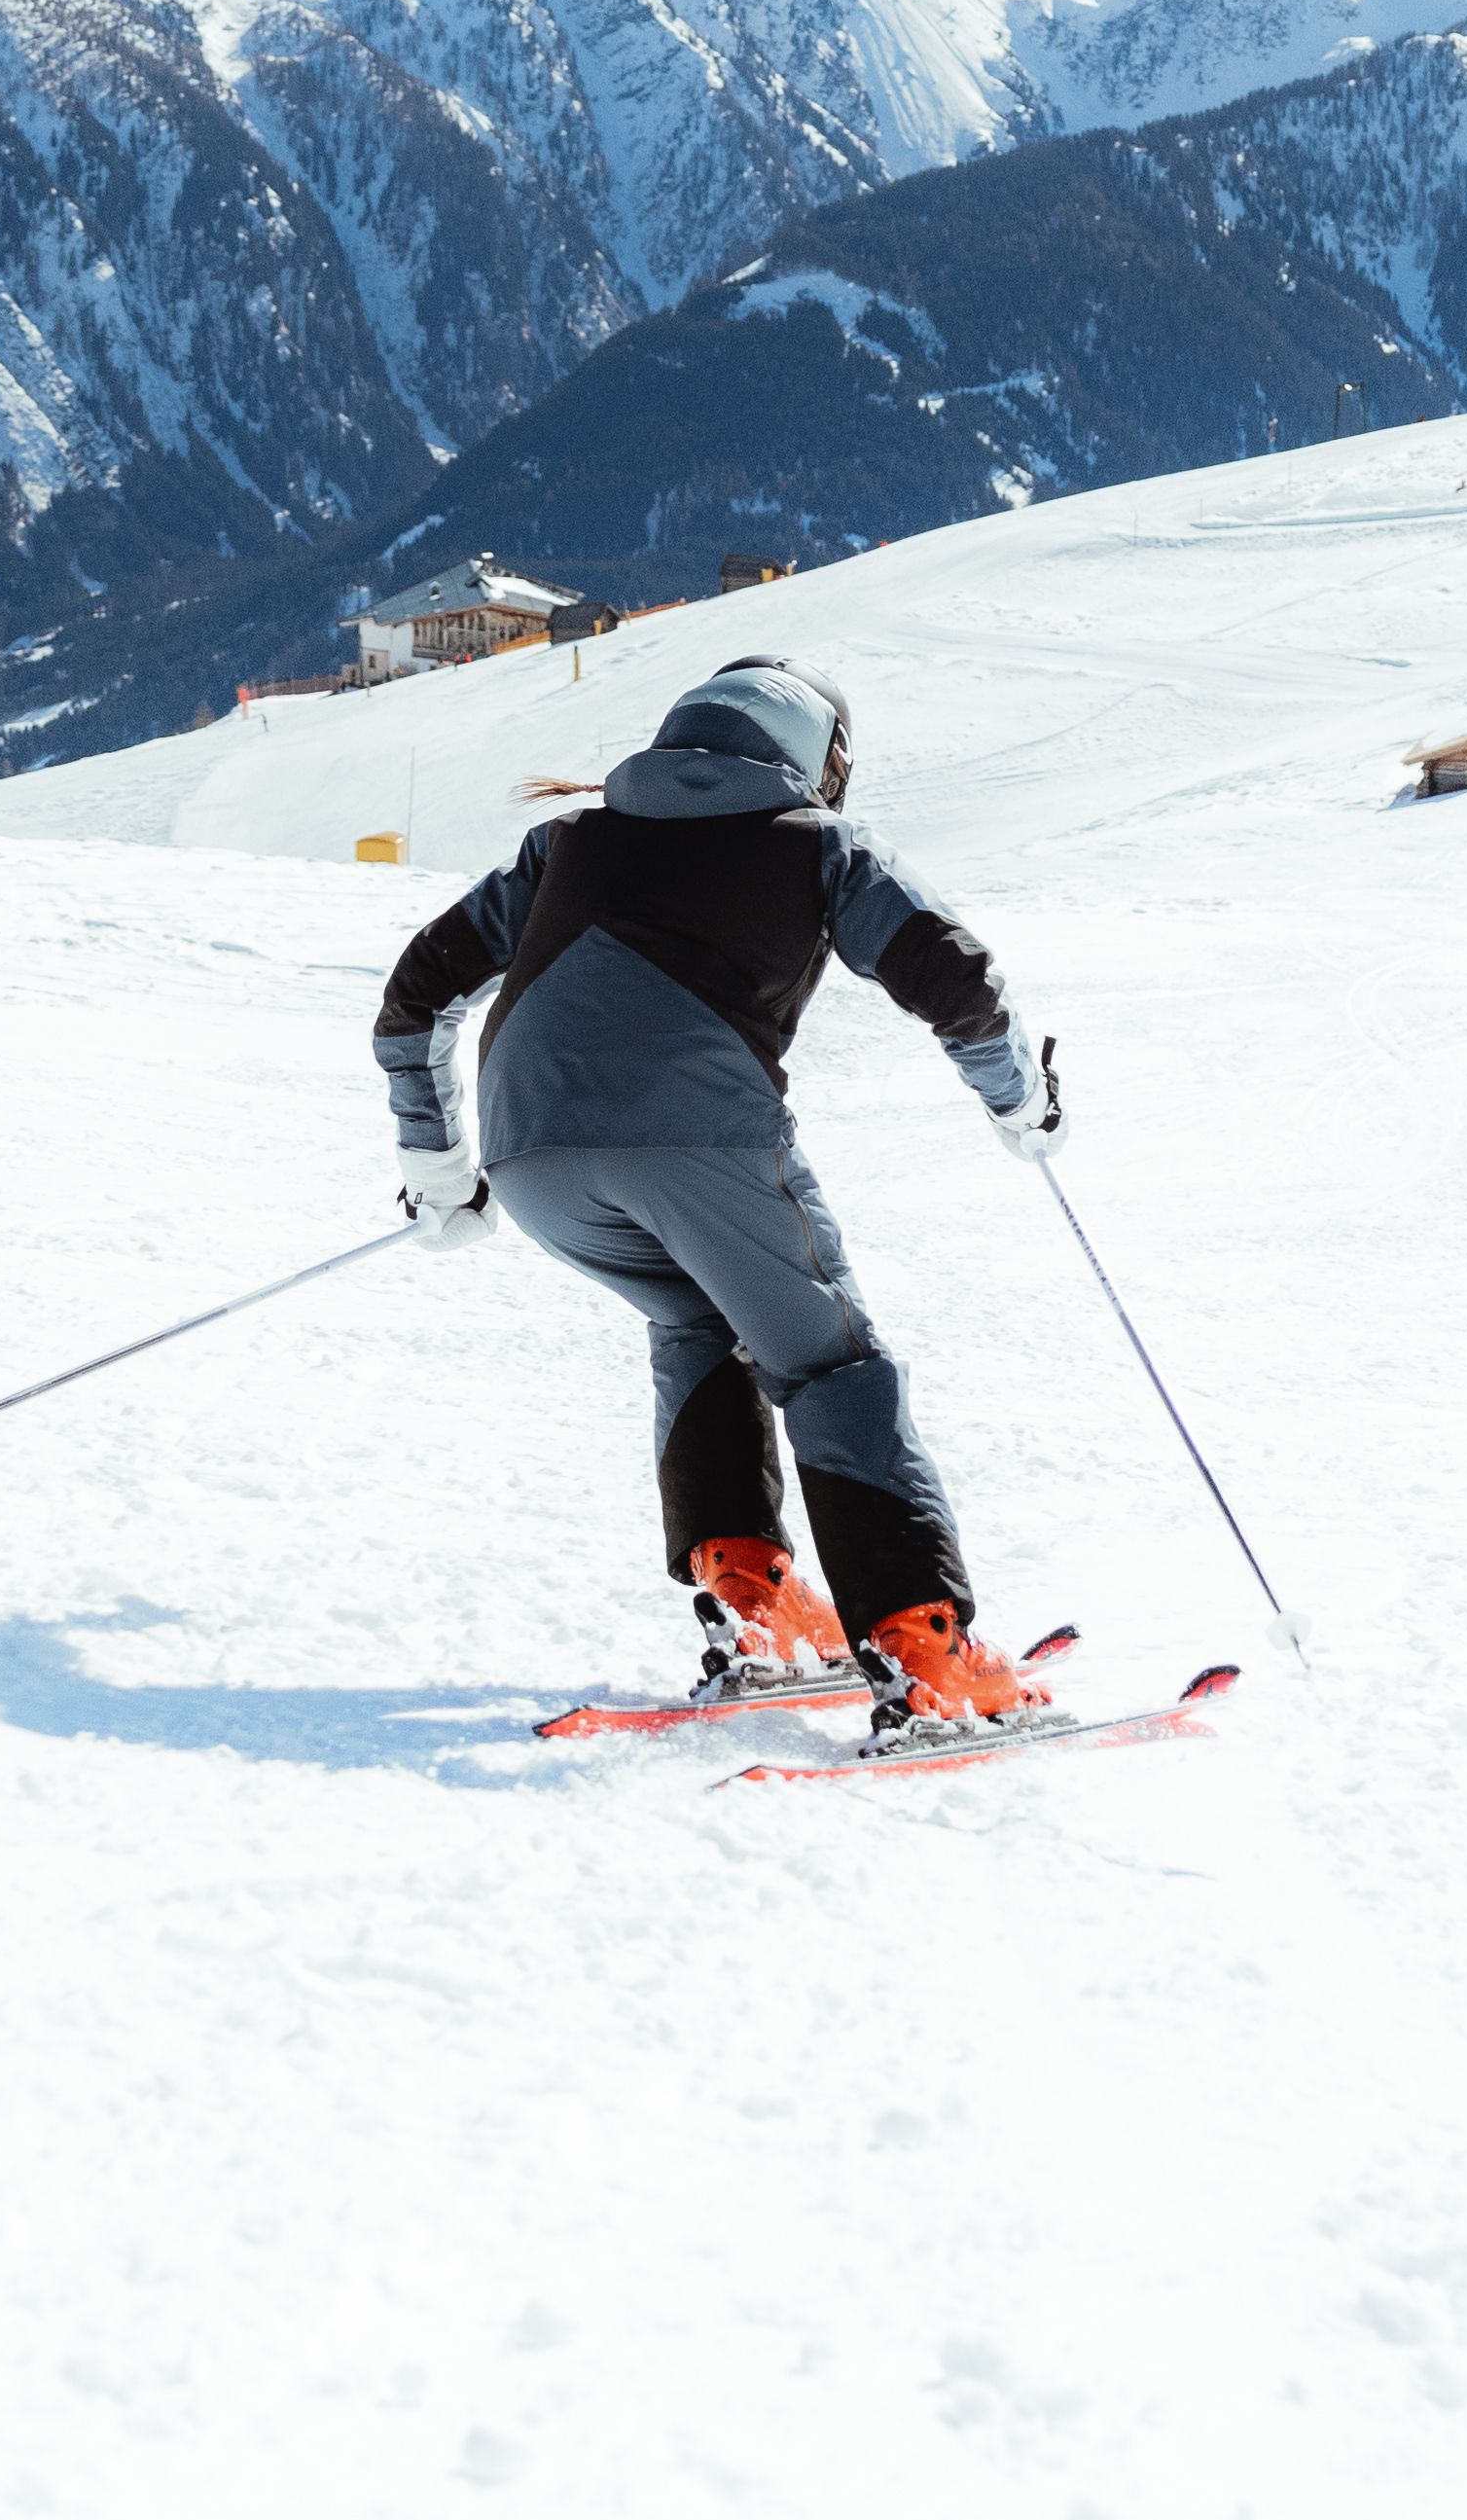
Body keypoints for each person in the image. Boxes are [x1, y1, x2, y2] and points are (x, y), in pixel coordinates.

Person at [375, 658, 1070, 1737]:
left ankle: (757, 1607)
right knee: (830, 1362)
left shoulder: (569, 842)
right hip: (699, 1140)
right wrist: (1022, 1104)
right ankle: (926, 1656)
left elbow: (416, 997)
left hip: (531, 1156)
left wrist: (442, 1173)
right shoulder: (820, 846)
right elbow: (957, 981)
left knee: (700, 1317)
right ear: (820, 760)